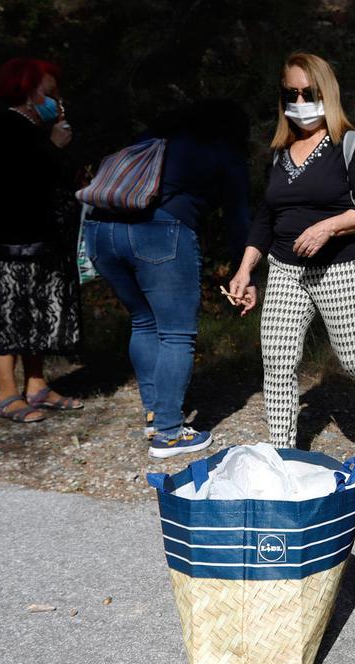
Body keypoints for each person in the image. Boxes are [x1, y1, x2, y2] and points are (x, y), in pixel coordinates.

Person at [227, 52, 355, 448]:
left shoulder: (349, 145)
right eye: (290, 94)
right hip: (285, 270)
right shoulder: (279, 152)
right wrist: (245, 269)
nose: (300, 103)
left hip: (341, 269)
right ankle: (280, 458)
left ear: (325, 91)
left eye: (308, 92)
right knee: (277, 361)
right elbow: (266, 216)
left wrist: (328, 228)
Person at [83, 100, 250, 458]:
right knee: (176, 332)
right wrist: (243, 270)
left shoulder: (151, 138)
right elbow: (238, 217)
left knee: (144, 321)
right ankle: (170, 433)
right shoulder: (223, 148)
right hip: (157, 231)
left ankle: (154, 413)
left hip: (99, 232)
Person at [0, 57, 83, 424]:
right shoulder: (5, 126)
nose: (57, 101)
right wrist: (54, 148)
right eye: (50, 92)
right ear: (27, 91)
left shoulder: (36, 129)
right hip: (12, 239)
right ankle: (7, 394)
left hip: (43, 238)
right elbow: (15, 182)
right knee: (10, 314)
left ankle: (37, 384)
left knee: (38, 312)